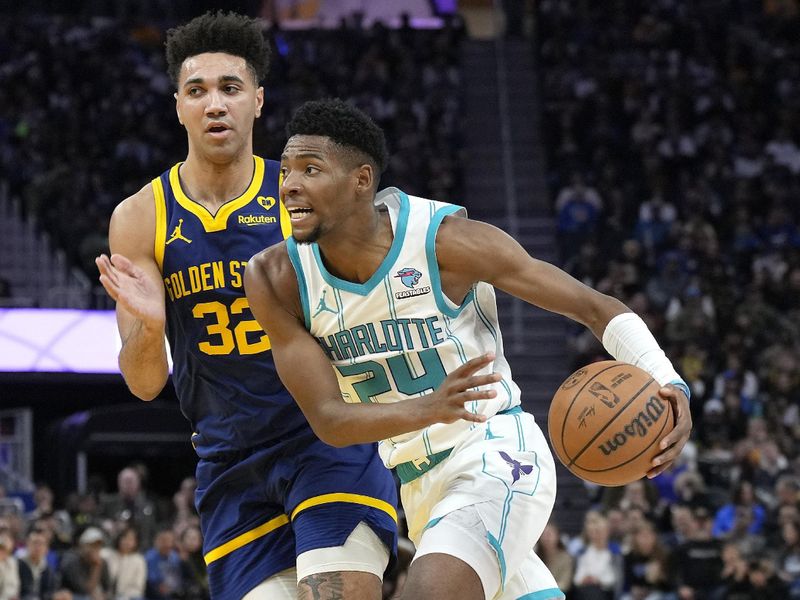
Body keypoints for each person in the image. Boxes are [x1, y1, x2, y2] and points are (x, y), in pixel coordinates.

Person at [244, 98, 693, 600]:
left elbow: (592, 306)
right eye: (285, 171)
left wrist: (667, 379)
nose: (288, 186)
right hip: (417, 487)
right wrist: (430, 407)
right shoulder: (275, 278)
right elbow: (329, 420)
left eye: (310, 169)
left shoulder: (444, 242)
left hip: (497, 453)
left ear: (361, 180)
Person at [94, 11, 397, 600]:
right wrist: (149, 330)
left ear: (257, 101)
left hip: (325, 438)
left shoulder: (301, 197)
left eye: (230, 89)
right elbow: (143, 383)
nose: (214, 104)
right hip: (228, 459)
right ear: (178, 105)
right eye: (197, 91)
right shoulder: (141, 217)